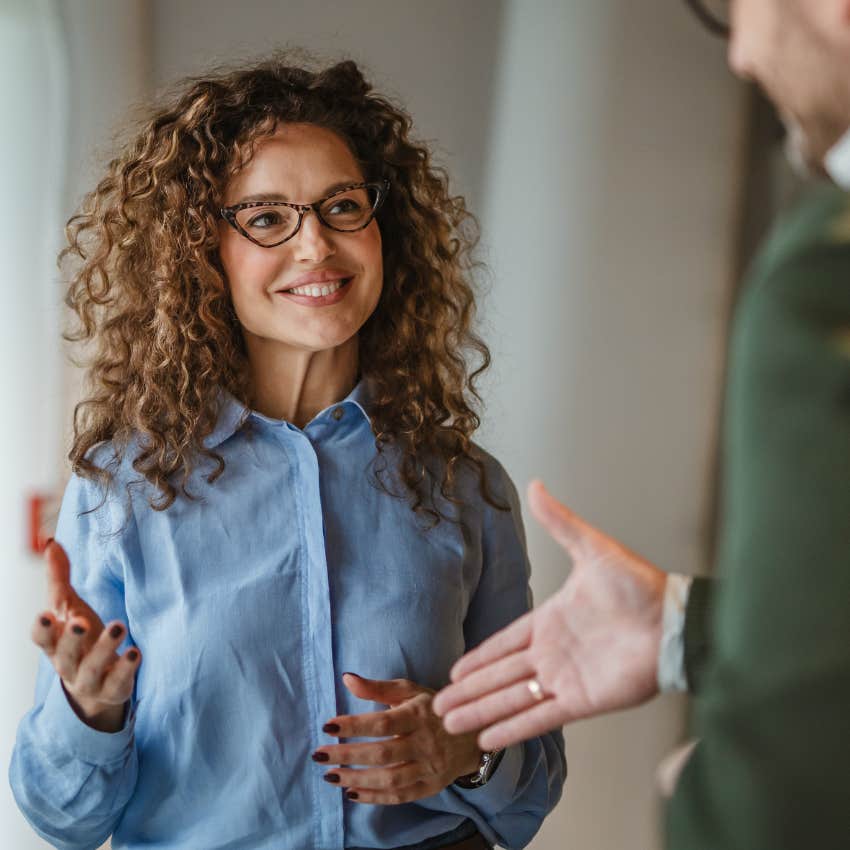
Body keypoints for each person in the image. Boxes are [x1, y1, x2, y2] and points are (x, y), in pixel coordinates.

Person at [9, 56, 565, 850]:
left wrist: (466, 752)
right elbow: (60, 819)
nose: (316, 247)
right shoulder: (121, 490)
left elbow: (531, 786)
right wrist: (89, 712)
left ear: (385, 227)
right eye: (267, 218)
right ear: (205, 253)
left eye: (342, 206)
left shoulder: (465, 486)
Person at [433, 1, 850, 848]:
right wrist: (681, 628)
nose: (740, 56)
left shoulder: (824, 280)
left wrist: (707, 804)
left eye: (738, 7)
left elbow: (778, 799)